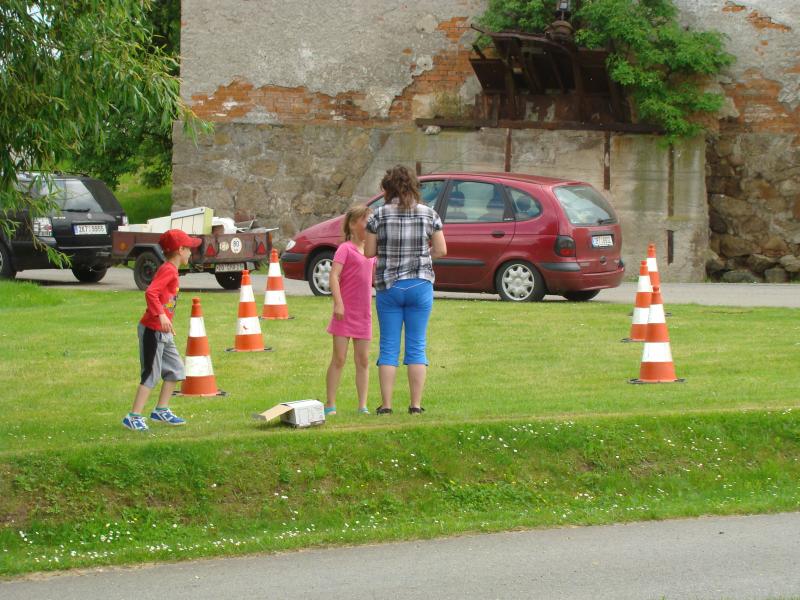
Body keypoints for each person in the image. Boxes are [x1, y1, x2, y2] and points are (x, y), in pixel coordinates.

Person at [365, 165, 447, 415]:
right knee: (417, 345)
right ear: (413, 186)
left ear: (387, 188)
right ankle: (415, 405)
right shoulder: (429, 214)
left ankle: (386, 405)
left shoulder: (377, 216)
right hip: (420, 284)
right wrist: (422, 256)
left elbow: (369, 252)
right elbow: (441, 250)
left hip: (389, 286)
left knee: (388, 347)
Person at [122, 229, 201, 431]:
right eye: (189, 248)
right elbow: (151, 293)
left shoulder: (172, 270)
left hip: (164, 332)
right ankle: (133, 416)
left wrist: (166, 321)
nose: (191, 252)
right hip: (152, 330)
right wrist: (161, 315)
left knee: (176, 369)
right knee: (151, 374)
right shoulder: (168, 270)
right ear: (180, 250)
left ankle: (161, 410)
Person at [325, 205, 376, 416]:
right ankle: (330, 404)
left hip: (364, 315)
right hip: (344, 314)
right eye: (366, 221)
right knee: (339, 358)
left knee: (363, 360)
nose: (371, 225)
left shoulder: (372, 251)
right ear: (353, 224)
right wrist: (338, 303)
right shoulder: (345, 249)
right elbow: (334, 276)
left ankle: (362, 405)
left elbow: (373, 278)